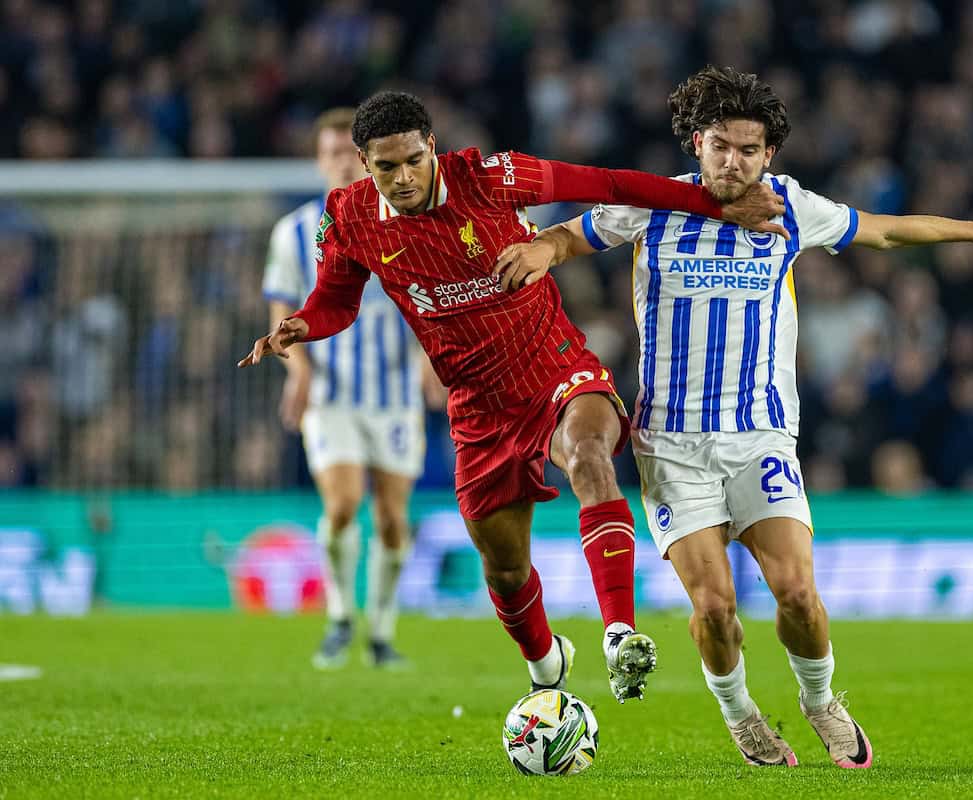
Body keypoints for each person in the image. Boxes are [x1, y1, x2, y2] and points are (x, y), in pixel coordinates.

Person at [494, 65, 973, 766]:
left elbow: (886, 233)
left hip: (761, 438)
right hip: (671, 445)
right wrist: (542, 247)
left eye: (748, 149)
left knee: (798, 594)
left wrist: (972, 230)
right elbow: (575, 234)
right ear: (696, 144)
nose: (733, 160)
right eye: (720, 144)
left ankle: (820, 701)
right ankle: (741, 713)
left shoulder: (791, 208)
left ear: (768, 154)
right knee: (714, 609)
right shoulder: (656, 204)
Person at [239, 90, 786, 701]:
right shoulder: (349, 216)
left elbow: (606, 183)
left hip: (554, 369)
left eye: (413, 160)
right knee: (503, 570)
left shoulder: (491, 177)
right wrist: (302, 324)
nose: (402, 177)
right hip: (478, 407)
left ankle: (620, 633)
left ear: (433, 149)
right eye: (385, 166)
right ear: (365, 165)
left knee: (589, 455)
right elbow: (337, 299)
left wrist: (711, 205)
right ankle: (547, 663)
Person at [261, 108, 429, 671]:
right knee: (342, 505)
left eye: (345, 153)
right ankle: (338, 616)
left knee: (391, 518)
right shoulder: (295, 230)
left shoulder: (408, 220)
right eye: (328, 152)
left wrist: (433, 361)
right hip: (331, 392)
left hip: (395, 392)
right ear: (318, 160)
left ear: (362, 160)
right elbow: (283, 307)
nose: (338, 163)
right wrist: (299, 372)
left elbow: (433, 295)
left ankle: (380, 632)